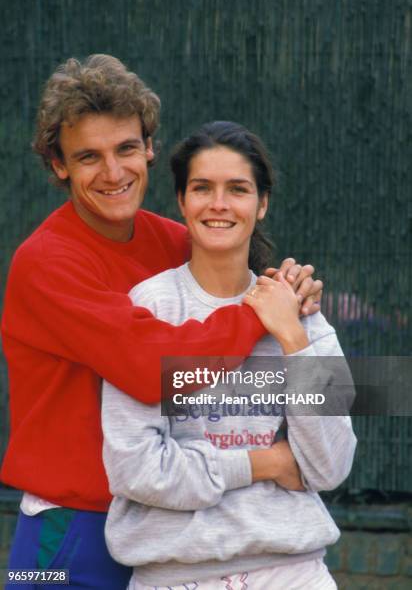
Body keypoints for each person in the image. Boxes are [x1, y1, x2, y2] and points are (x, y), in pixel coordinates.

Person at [1, 55, 322, 589]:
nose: (114, 172)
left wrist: (289, 295)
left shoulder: (174, 242)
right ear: (59, 165)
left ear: (149, 147)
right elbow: (156, 370)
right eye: (88, 157)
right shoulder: (45, 263)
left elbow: (326, 407)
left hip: (167, 524)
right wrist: (260, 311)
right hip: (67, 529)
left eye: (126, 148)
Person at [102, 121, 357, 590]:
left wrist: (293, 341)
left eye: (237, 189)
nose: (219, 204)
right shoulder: (148, 308)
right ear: (182, 201)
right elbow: (138, 469)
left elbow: (330, 466)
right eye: (202, 188)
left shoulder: (301, 311)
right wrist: (265, 462)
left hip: (290, 571)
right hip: (173, 576)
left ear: (261, 204)